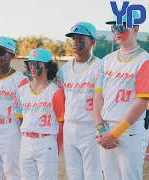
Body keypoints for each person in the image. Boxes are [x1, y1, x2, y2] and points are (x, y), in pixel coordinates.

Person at [93, 11, 149, 180]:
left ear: (136, 29)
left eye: (122, 27)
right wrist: (101, 129)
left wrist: (114, 134)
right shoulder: (106, 60)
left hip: (129, 131)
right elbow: (98, 97)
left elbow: (141, 102)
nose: (117, 31)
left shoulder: (144, 61)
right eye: (114, 27)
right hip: (106, 131)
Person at [57, 22, 103, 180]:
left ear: (92, 41)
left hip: (91, 127)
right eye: (73, 38)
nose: (75, 41)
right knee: (73, 173)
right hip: (70, 127)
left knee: (92, 173)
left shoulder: (101, 66)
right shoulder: (64, 69)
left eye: (80, 38)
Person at [0, 36, 29, 179]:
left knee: (12, 171)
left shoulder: (21, 80)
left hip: (10, 128)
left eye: (0, 51)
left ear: (11, 55)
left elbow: (25, 111)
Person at [15, 48, 65, 180]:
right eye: (31, 63)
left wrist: (57, 148)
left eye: (37, 64)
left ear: (47, 67)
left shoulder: (55, 92)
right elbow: (20, 118)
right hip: (26, 141)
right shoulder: (21, 91)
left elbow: (61, 123)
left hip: (46, 141)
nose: (33, 67)